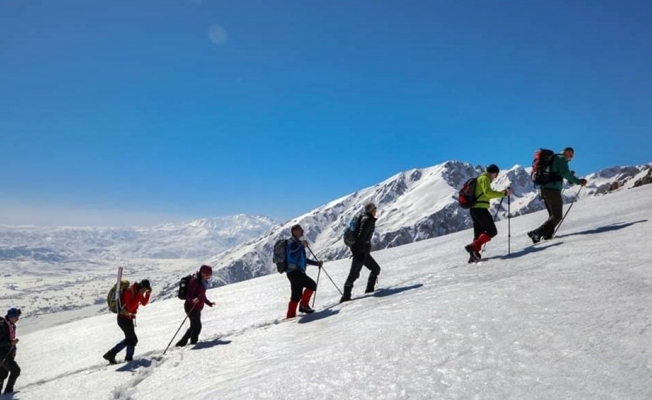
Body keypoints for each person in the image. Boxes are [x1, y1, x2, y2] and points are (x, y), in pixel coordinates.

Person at [528, 147, 587, 243]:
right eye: (571, 155)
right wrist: (579, 181)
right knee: (557, 216)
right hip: (552, 191)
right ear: (566, 152)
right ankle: (536, 233)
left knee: (552, 215)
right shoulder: (561, 159)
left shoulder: (554, 159)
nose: (571, 158)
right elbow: (566, 174)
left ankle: (547, 234)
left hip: (545, 190)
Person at [464, 164, 512, 263]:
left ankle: (474, 255)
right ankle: (473, 247)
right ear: (493, 173)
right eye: (496, 174)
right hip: (480, 209)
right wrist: (503, 193)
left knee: (478, 233)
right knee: (492, 231)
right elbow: (488, 193)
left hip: (474, 209)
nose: (496, 177)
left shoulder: (480, 178)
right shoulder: (485, 178)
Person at [103, 279, 151, 364]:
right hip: (123, 319)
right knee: (132, 340)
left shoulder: (137, 290)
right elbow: (131, 307)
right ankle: (122, 357)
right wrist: (140, 294)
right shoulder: (130, 291)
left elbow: (143, 303)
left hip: (128, 319)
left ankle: (114, 355)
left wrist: (147, 294)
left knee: (130, 339)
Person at [341, 203, 381, 302]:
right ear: (372, 210)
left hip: (363, 251)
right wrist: (361, 249)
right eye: (375, 208)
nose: (376, 210)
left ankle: (369, 290)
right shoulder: (367, 220)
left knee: (376, 269)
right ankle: (345, 296)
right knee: (354, 274)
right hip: (360, 251)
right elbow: (362, 236)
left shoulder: (365, 218)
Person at [285, 224, 323, 318]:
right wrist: (302, 246)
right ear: (294, 232)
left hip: (294, 273)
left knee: (296, 296)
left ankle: (290, 316)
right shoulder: (292, 243)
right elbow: (292, 255)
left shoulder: (297, 243)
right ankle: (304, 306)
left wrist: (316, 263)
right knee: (312, 285)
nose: (302, 231)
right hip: (295, 273)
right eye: (300, 230)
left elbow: (303, 259)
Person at [176, 265, 215, 346]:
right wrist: (193, 301)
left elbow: (202, 296)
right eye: (207, 275)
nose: (209, 277)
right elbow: (188, 295)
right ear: (202, 273)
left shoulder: (202, 281)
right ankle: (193, 344)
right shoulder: (195, 281)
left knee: (194, 326)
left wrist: (209, 303)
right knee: (197, 327)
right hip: (191, 307)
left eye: (210, 275)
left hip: (196, 308)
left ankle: (183, 342)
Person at [0, 308, 21, 395]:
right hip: (2, 355)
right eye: (16, 317)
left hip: (7, 353)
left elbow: (11, 339)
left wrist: (14, 348)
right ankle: (8, 392)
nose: (18, 319)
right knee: (15, 370)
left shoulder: (11, 325)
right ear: (11, 316)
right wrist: (10, 343)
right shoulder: (2, 326)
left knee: (2, 374)